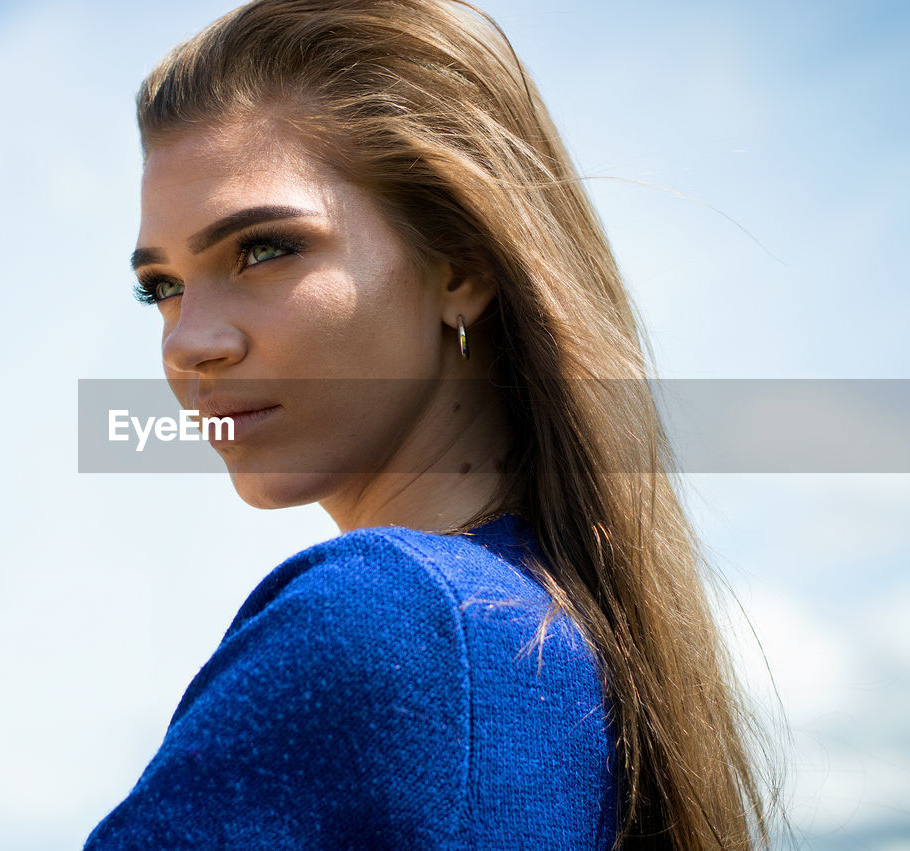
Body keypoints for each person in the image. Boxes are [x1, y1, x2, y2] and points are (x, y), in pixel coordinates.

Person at [86, 0, 774, 847]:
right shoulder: (576, 645)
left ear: (462, 263)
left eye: (264, 249)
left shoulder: (382, 622)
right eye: (161, 287)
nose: (190, 342)